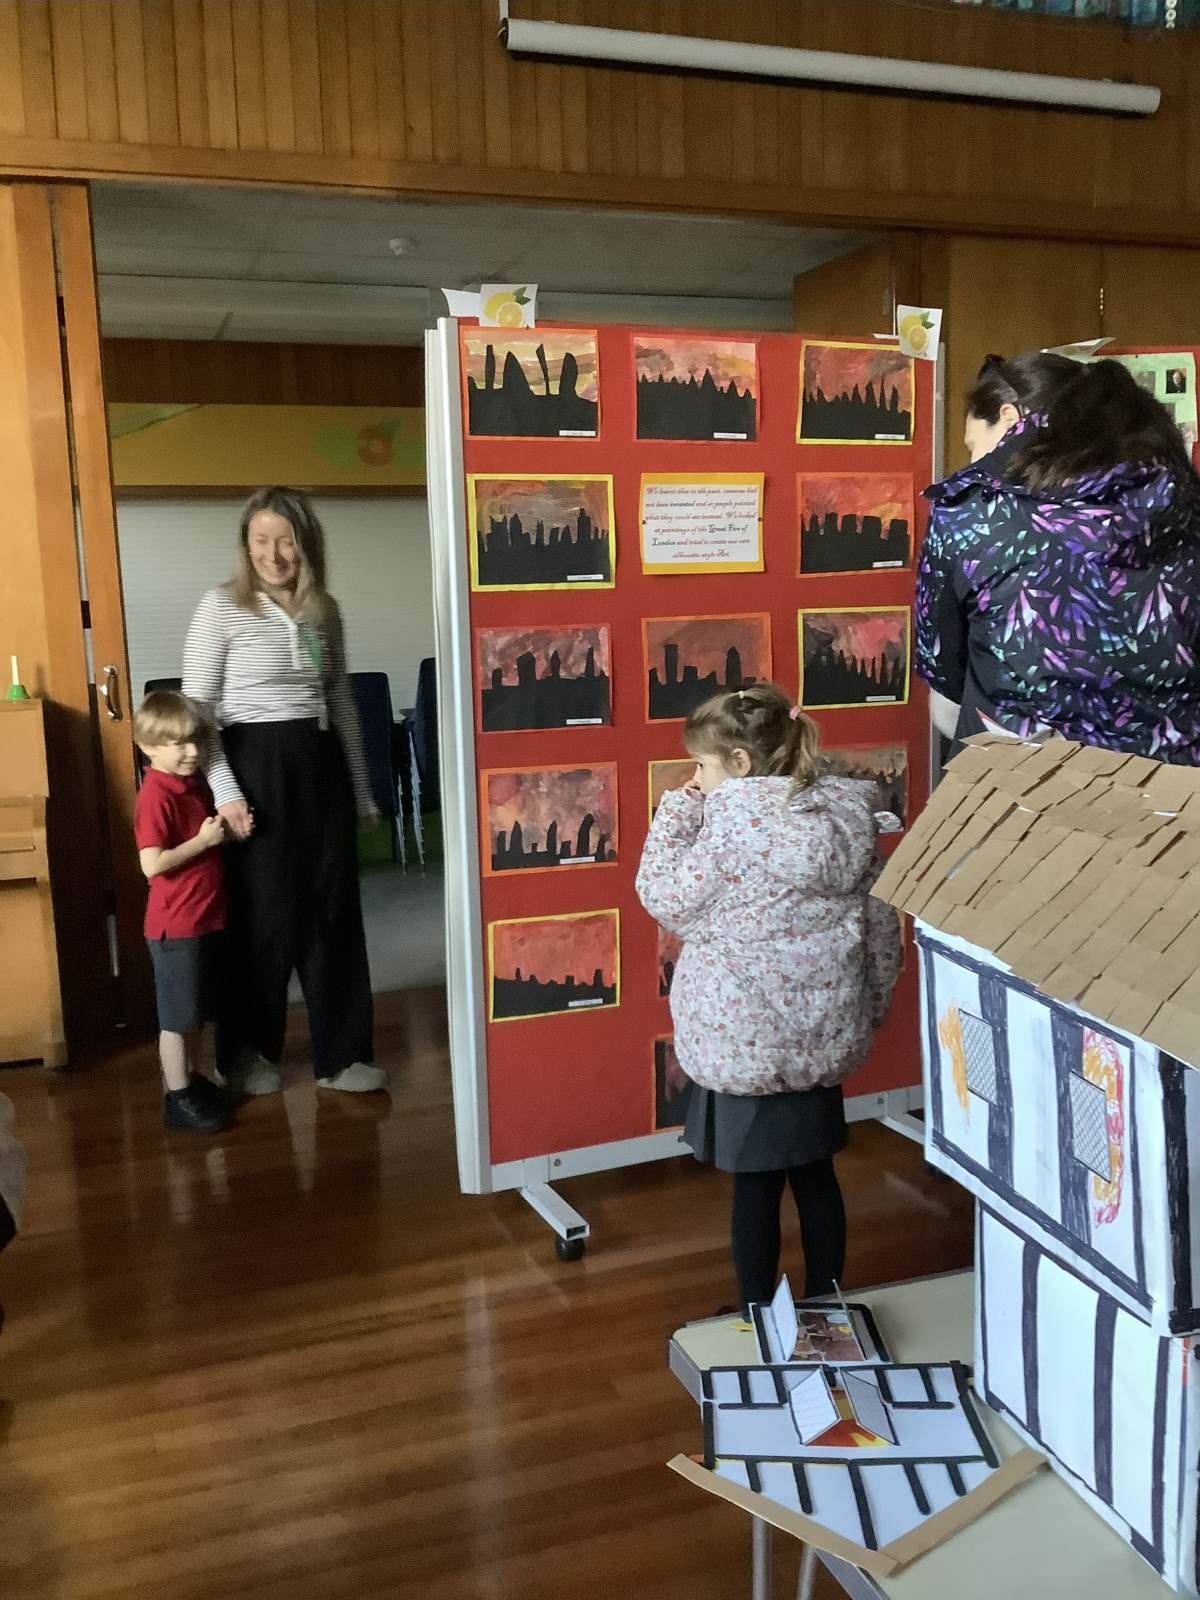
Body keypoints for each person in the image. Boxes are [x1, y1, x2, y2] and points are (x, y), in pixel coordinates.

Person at [635, 683, 902, 1309]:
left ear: (739, 762)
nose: (696, 779)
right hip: (822, 1039)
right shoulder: (846, 821)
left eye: (702, 766)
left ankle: (758, 1311)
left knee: (754, 1188)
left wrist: (677, 814)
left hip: (745, 1043)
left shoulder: (728, 831)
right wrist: (871, 1004)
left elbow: (664, 898)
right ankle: (826, 1303)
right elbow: (882, 926)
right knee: (816, 1176)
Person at [183, 487, 386, 1097]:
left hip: (319, 766)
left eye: (286, 542)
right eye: (261, 541)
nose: (273, 555)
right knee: (261, 916)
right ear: (246, 545)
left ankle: (342, 1056)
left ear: (307, 545)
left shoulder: (326, 610)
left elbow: (340, 701)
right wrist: (225, 793)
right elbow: (198, 711)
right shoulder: (220, 607)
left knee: (332, 910)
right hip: (252, 767)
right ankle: (247, 1056)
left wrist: (362, 790)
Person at [917, 352, 1200, 760]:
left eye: (975, 447)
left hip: (1019, 779)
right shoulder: (1185, 502)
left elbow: (944, 672)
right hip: (1171, 781)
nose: (975, 463)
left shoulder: (972, 515)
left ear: (1010, 420)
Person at [133, 691, 233, 1133]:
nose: (192, 751)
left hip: (205, 919)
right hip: (176, 927)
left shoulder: (191, 784)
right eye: (178, 744)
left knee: (197, 1012)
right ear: (149, 747)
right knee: (176, 1019)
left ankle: (191, 1082)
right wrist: (203, 842)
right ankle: (176, 1096)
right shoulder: (156, 795)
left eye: (195, 741)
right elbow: (151, 864)